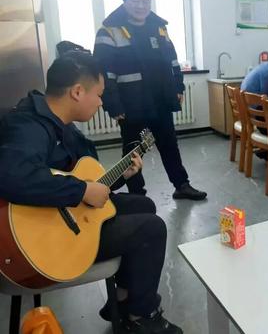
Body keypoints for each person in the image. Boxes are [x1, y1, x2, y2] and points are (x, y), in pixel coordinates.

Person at [0, 52, 182, 334]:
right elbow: (12, 177)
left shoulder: (64, 127)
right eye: (98, 95)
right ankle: (142, 315)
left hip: (67, 213)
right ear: (77, 92)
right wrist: (82, 190)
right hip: (44, 242)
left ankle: (122, 299)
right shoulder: (28, 125)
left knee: (143, 205)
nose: (101, 102)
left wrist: (120, 176)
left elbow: (86, 181)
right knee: (152, 228)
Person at [94, 0, 206, 201]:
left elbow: (173, 62)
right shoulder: (109, 31)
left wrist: (178, 88)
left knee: (169, 145)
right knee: (134, 151)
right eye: (135, 0)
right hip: (131, 104)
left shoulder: (159, 28)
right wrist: (113, 105)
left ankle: (181, 185)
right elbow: (104, 73)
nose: (141, 6)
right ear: (125, 1)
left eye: (146, 1)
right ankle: (137, 194)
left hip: (160, 100)